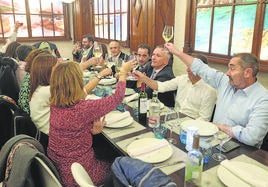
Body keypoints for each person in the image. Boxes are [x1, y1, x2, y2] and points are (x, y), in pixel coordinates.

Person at [47, 60, 134, 187]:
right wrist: (123, 73)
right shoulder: (83, 108)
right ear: (77, 82)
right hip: (79, 173)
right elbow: (117, 97)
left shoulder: (55, 103)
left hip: (59, 166)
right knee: (120, 161)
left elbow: (71, 129)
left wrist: (89, 130)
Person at [164, 42, 268, 148]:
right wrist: (176, 52)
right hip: (213, 143)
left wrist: (220, 127)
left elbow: (252, 137)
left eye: (232, 69)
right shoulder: (225, 82)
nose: (227, 73)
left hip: (241, 150)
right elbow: (200, 68)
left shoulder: (262, 99)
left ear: (247, 72)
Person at [133, 54, 217, 121]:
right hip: (174, 119)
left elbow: (203, 119)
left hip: (191, 126)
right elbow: (161, 86)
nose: (187, 70)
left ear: (202, 70)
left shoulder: (209, 90)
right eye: (187, 66)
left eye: (191, 67)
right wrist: (143, 77)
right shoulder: (182, 79)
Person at [29, 53, 58, 134]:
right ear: (47, 71)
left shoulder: (39, 87)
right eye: (56, 69)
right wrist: (97, 77)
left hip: (44, 130)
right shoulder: (47, 91)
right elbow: (80, 94)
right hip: (49, 134)